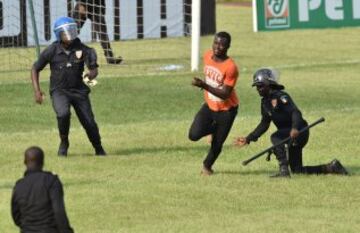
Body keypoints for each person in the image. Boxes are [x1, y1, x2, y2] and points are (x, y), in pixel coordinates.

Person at [234, 68, 349, 177]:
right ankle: (331, 167)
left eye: (260, 86)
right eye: (257, 87)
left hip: (299, 131)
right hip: (288, 134)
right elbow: (264, 124)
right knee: (297, 169)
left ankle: (283, 170)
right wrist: (248, 138)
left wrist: (294, 128)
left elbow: (295, 112)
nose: (258, 89)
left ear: (269, 84)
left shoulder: (281, 96)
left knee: (276, 137)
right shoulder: (265, 102)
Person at [31, 16, 106, 156]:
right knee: (63, 114)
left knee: (89, 122)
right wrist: (37, 90)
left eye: (72, 31)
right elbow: (35, 68)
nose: (70, 35)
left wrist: (92, 74)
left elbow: (94, 69)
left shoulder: (83, 49)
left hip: (79, 91)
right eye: (66, 32)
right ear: (58, 34)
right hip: (59, 91)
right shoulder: (52, 50)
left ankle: (98, 148)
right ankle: (64, 142)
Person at [189, 31, 239, 176]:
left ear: (228, 46)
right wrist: (206, 88)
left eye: (222, 44)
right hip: (210, 106)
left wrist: (203, 86)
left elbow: (225, 94)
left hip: (227, 110)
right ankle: (213, 129)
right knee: (193, 135)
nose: (218, 47)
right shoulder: (207, 55)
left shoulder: (230, 67)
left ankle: (207, 167)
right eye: (216, 43)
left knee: (217, 144)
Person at [11, 146, 74, 233]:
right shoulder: (51, 181)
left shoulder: (19, 185)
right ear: (42, 162)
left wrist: (28, 227)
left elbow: (16, 215)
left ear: (25, 162)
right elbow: (58, 211)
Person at [72, 0, 123, 64]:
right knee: (72, 32)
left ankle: (110, 58)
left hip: (96, 7)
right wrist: (80, 3)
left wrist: (102, 8)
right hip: (82, 5)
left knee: (103, 33)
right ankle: (64, 56)